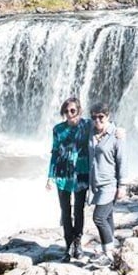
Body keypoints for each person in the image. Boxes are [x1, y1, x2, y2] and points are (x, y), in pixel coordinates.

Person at [46, 97, 91, 262]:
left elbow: (104, 124)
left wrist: (118, 131)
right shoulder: (58, 129)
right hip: (63, 174)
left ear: (79, 110)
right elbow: (55, 152)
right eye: (66, 111)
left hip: (81, 172)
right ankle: (68, 245)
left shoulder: (87, 125)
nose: (69, 114)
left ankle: (78, 243)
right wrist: (50, 176)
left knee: (79, 210)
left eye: (72, 110)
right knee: (65, 211)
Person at [88, 101, 127, 267]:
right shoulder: (90, 132)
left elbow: (122, 161)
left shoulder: (116, 136)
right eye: (94, 117)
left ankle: (107, 254)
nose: (97, 120)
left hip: (109, 184)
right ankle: (111, 248)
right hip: (96, 184)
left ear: (108, 116)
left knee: (99, 217)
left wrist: (122, 185)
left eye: (101, 117)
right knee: (108, 216)